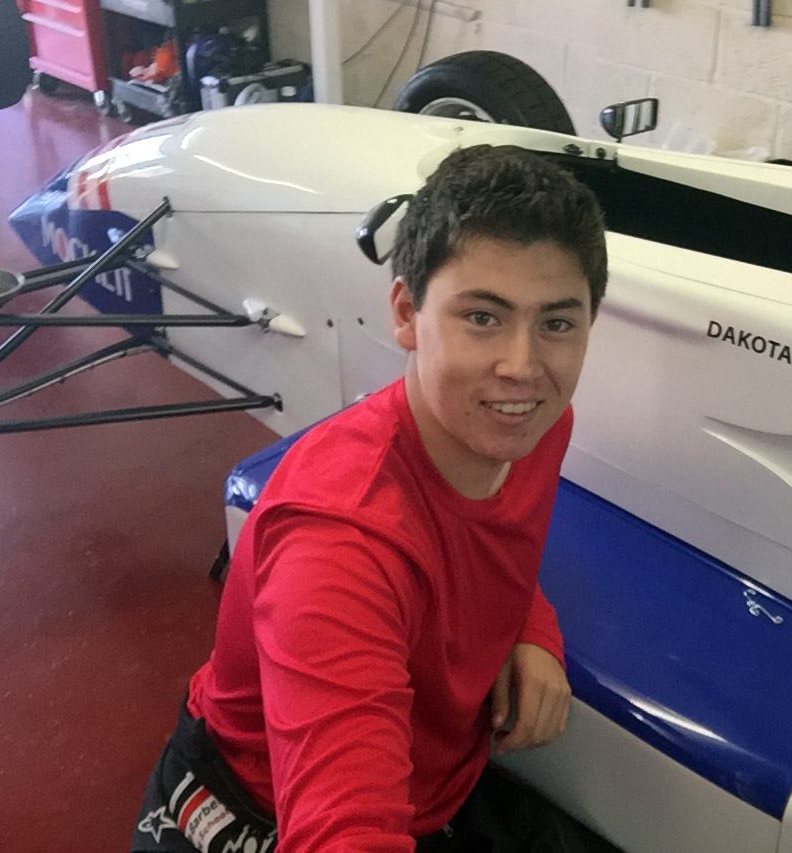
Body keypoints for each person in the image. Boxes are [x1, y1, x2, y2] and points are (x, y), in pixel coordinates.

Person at [132, 143, 615, 853]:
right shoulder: (338, 545)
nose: (522, 366)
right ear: (407, 313)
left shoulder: (532, 426)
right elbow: (343, 831)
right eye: (483, 317)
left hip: (438, 790)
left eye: (557, 324)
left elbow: (488, 544)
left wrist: (530, 626)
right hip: (253, 814)